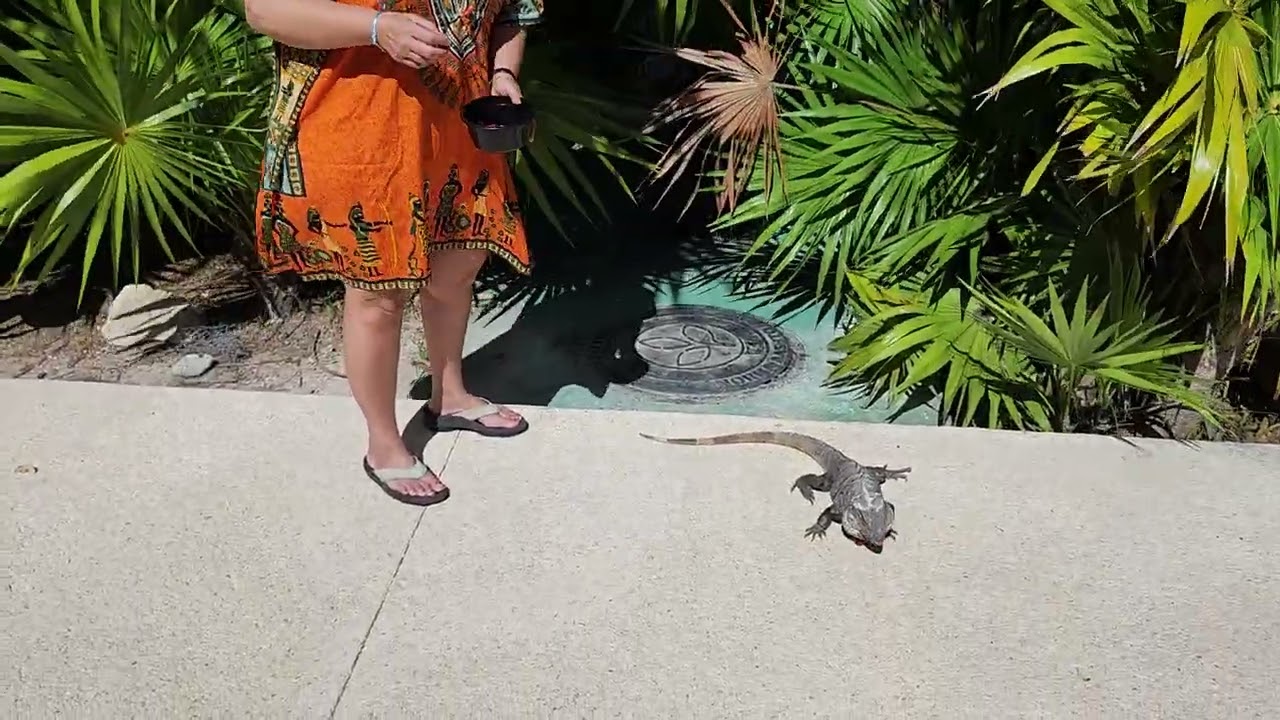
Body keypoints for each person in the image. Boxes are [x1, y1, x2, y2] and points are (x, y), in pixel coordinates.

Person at [245, 0, 543, 505]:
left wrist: (502, 71)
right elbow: (265, 10)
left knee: (458, 265)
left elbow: (513, 12)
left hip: (458, 123)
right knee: (378, 290)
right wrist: (376, 28)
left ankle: (449, 395)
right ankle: (384, 444)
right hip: (362, 126)